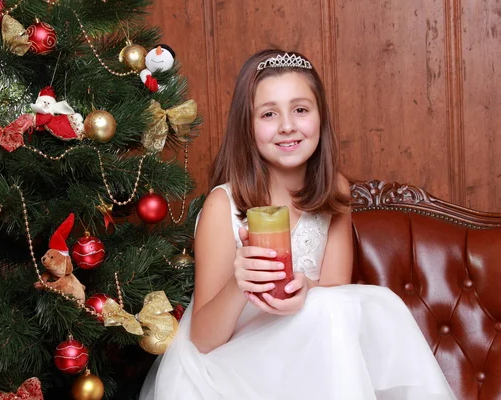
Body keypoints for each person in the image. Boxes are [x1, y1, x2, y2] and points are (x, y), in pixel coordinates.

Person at [139, 49, 456, 400]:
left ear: (320, 117)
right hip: (235, 373)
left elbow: (339, 299)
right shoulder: (223, 205)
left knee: (360, 304)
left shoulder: (334, 190)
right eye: (269, 114)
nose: (287, 125)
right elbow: (202, 340)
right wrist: (238, 284)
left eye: (300, 109)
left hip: (310, 364)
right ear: (248, 126)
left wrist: (309, 291)